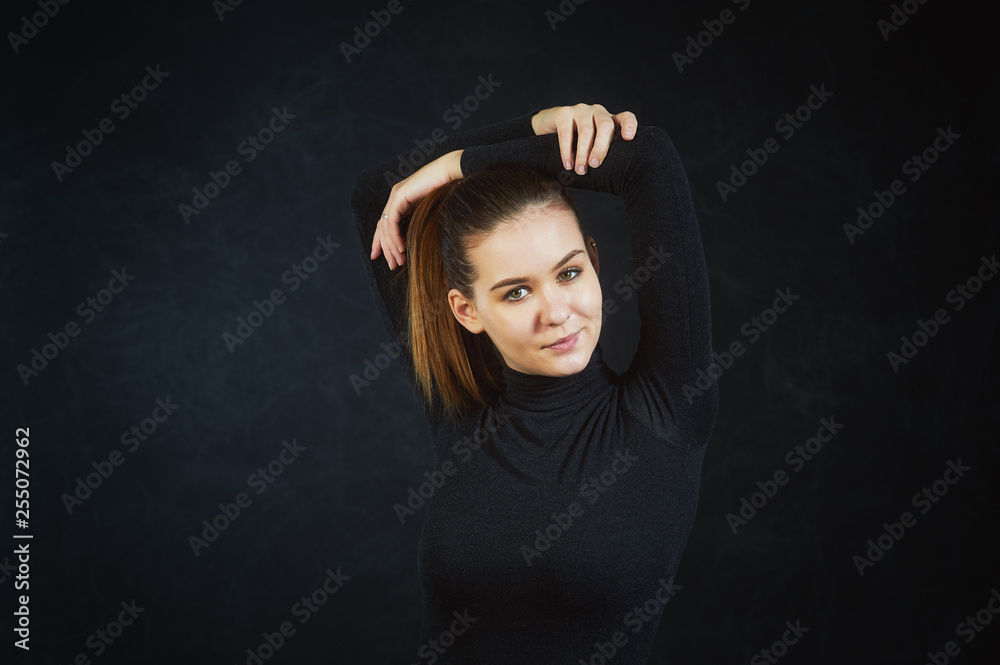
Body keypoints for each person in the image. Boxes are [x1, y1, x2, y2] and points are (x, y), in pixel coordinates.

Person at [351, 103, 718, 664]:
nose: (557, 312)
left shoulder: (668, 411)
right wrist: (538, 130)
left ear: (594, 262)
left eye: (569, 273)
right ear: (466, 310)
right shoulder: (461, 411)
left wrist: (460, 164)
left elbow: (645, 157)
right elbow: (383, 197)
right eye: (516, 291)